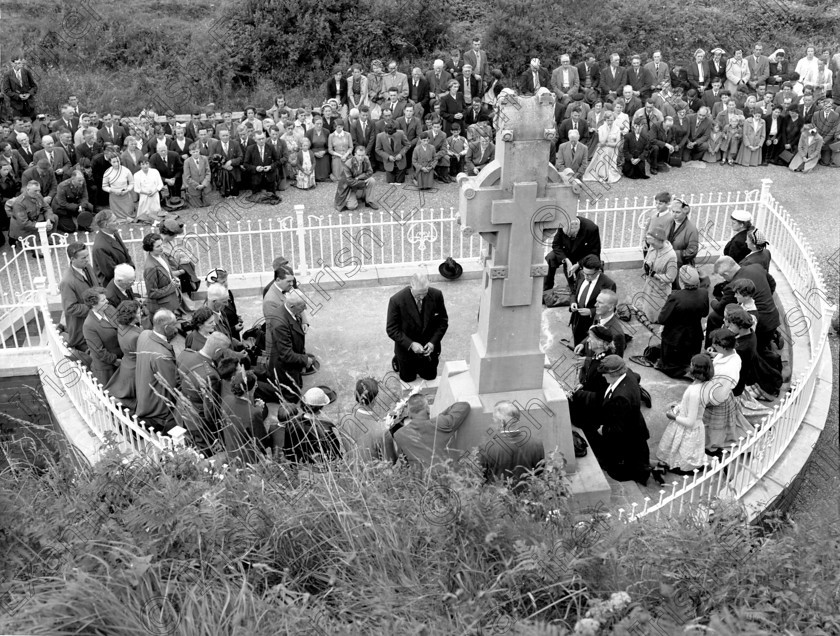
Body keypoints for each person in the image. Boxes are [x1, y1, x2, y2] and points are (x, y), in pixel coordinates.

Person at [590, 355, 651, 485]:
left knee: (622, 462)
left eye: (604, 374)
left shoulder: (621, 397)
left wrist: (604, 430)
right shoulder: (628, 373)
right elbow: (637, 377)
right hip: (634, 424)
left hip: (625, 434)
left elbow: (618, 427)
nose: (602, 376)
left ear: (613, 374)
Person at [653, 353, 714, 481]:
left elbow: (690, 422)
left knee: (680, 458)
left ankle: (673, 467)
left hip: (686, 426)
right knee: (677, 453)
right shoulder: (706, 384)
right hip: (694, 424)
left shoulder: (694, 392)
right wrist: (681, 405)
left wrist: (673, 417)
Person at [707, 255, 780, 352]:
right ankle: (773, 339)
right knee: (761, 349)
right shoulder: (756, 267)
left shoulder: (733, 286)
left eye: (722, 276)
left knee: (714, 317)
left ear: (726, 273)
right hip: (773, 318)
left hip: (757, 326)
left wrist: (713, 301)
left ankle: (713, 347)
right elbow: (772, 284)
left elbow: (721, 309)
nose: (723, 279)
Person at [386, 272, 449, 383]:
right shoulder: (396, 300)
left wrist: (432, 342)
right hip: (406, 353)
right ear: (411, 286)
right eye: (418, 295)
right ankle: (398, 362)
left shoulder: (436, 295)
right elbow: (392, 329)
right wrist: (410, 344)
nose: (421, 297)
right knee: (408, 379)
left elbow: (443, 321)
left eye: (424, 293)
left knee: (430, 377)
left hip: (429, 352)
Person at [389, 393, 470, 473]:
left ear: (409, 415)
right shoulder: (442, 423)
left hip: (422, 482)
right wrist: (440, 416)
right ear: (428, 409)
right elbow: (464, 406)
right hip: (450, 477)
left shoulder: (399, 435)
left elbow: (404, 463)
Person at [177, 331, 230, 453]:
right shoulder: (210, 375)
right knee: (204, 452)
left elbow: (177, 380)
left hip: (182, 409)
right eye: (222, 352)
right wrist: (217, 433)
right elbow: (210, 412)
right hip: (198, 420)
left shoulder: (185, 354)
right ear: (217, 352)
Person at [703, 328, 753, 457]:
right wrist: (714, 355)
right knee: (721, 426)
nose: (713, 345)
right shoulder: (732, 354)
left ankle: (712, 447)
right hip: (723, 395)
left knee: (715, 428)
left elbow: (719, 394)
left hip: (718, 399)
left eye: (715, 344)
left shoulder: (727, 370)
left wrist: (706, 401)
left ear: (723, 346)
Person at [479, 400, 545, 492]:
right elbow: (539, 474)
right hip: (528, 499)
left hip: (500, 501)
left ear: (502, 423)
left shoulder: (487, 448)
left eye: (494, 419)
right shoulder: (537, 443)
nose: (493, 422)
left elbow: (481, 478)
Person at [656, 266, 709, 378]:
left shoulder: (675, 296)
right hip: (694, 336)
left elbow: (662, 319)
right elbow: (705, 313)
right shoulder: (703, 293)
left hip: (675, 338)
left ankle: (678, 372)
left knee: (670, 363)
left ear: (681, 281)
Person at [268, 290, 317, 403]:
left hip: (293, 363)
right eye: (302, 306)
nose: (305, 309)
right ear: (292, 305)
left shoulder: (290, 311)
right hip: (285, 368)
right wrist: (305, 360)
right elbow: (286, 355)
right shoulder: (280, 323)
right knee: (291, 397)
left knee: (297, 388)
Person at [135, 309, 180, 432]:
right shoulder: (162, 356)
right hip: (158, 408)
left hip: (143, 396)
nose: (177, 328)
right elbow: (172, 385)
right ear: (166, 328)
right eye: (174, 325)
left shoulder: (144, 334)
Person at [568, 326, 614, 431]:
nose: (588, 340)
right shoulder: (598, 356)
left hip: (596, 410)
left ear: (600, 342)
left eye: (591, 337)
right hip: (590, 396)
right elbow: (593, 379)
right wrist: (583, 385)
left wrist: (578, 394)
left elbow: (602, 396)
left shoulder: (605, 365)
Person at [283, 386, 341, 463]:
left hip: (300, 463)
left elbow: (288, 449)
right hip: (320, 465)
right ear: (321, 408)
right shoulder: (326, 428)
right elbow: (334, 453)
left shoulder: (291, 423)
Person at [103, 299, 142, 412]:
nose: (141, 314)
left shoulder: (121, 326)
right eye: (139, 313)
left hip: (126, 363)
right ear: (132, 316)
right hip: (134, 367)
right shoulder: (135, 335)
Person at [569, 255, 616, 347]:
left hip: (593, 322)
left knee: (591, 347)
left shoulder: (608, 284)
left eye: (589, 275)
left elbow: (610, 309)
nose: (586, 277)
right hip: (577, 318)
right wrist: (573, 302)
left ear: (598, 271)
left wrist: (591, 311)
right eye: (584, 273)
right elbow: (574, 291)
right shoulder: (580, 274)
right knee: (578, 341)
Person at [59, 242, 96, 353]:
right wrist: (94, 307)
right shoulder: (67, 281)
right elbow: (70, 308)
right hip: (82, 328)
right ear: (72, 259)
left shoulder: (87, 267)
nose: (87, 260)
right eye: (83, 258)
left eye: (87, 256)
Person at [81, 287, 122, 386]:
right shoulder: (89, 325)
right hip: (108, 369)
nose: (107, 301)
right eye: (103, 300)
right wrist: (115, 361)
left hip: (122, 359)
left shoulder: (110, 309)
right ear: (93, 304)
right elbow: (99, 351)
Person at [636, 226, 677, 323]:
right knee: (647, 308)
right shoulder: (654, 247)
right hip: (650, 285)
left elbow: (671, 277)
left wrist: (655, 275)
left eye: (653, 244)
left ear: (660, 241)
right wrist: (647, 264)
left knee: (657, 315)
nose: (652, 246)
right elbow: (648, 258)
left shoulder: (671, 256)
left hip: (660, 289)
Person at [142, 232, 183, 319]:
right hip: (162, 309)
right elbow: (152, 293)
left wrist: (174, 278)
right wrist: (172, 287)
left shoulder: (161, 255)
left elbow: (167, 272)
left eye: (161, 244)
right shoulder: (150, 267)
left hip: (170, 303)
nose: (162, 248)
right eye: (158, 246)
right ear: (150, 248)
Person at [91, 209, 134, 287]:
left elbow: (125, 253)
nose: (118, 222)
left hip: (124, 280)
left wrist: (131, 269)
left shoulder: (114, 233)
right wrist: (128, 273)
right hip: (113, 287)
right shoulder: (100, 247)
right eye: (114, 221)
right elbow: (110, 272)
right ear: (106, 225)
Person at [334, 145, 378, 212]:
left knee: (372, 180)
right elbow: (349, 181)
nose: (361, 158)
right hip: (349, 188)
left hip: (358, 181)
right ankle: (357, 196)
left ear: (365, 154)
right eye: (359, 155)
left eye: (362, 155)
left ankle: (369, 201)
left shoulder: (366, 159)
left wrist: (358, 177)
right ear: (355, 155)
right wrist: (363, 183)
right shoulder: (347, 164)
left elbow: (370, 172)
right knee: (352, 206)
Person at [582, 110, 621, 184]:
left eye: (612, 120)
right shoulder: (601, 128)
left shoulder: (617, 128)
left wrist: (607, 144)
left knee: (607, 150)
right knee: (604, 151)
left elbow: (617, 144)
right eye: (608, 120)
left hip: (613, 150)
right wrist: (607, 131)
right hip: (603, 149)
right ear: (605, 120)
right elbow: (602, 141)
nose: (610, 122)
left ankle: (608, 174)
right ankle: (602, 174)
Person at [50, 170, 93, 234]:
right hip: (62, 209)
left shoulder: (82, 182)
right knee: (71, 229)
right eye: (79, 181)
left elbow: (85, 197)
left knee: (89, 206)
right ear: (73, 179)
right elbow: (62, 203)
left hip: (74, 204)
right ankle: (58, 222)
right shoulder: (62, 186)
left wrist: (81, 206)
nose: (81, 182)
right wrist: (77, 207)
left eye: (82, 180)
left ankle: (83, 225)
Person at [667, 199, 699, 275]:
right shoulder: (668, 223)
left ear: (685, 213)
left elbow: (692, 251)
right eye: (673, 211)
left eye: (678, 212)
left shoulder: (692, 229)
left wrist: (674, 254)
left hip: (681, 266)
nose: (674, 215)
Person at [101, 152, 135, 220]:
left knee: (129, 214)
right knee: (116, 218)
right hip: (114, 198)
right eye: (114, 162)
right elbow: (104, 186)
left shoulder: (126, 170)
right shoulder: (107, 172)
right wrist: (113, 190)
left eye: (118, 161)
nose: (116, 164)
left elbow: (132, 183)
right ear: (110, 162)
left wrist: (127, 190)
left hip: (125, 196)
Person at [133, 157, 164, 224]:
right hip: (144, 197)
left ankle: (156, 221)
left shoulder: (155, 172)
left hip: (154, 195)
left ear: (149, 164)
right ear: (140, 165)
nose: (145, 166)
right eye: (143, 164)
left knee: (156, 212)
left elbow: (160, 184)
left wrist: (155, 191)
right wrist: (145, 192)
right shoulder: (136, 175)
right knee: (144, 215)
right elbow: (136, 189)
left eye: (146, 163)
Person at [183, 142, 211, 208]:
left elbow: (208, 172)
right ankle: (190, 196)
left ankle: (203, 195)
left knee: (207, 204)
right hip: (194, 187)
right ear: (190, 152)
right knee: (198, 205)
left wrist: (203, 184)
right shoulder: (187, 162)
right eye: (193, 152)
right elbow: (187, 177)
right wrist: (197, 185)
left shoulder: (204, 159)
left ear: (199, 151)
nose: (195, 154)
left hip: (204, 186)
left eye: (197, 151)